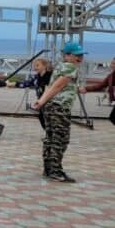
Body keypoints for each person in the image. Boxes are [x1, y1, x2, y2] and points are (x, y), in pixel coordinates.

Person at [33, 42, 86, 182]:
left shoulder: (61, 66)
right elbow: (57, 86)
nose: (80, 58)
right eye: (76, 55)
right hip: (59, 108)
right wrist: (41, 100)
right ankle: (55, 171)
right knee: (60, 139)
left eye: (81, 55)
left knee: (50, 138)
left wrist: (43, 101)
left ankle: (48, 169)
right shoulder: (70, 67)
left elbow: (57, 86)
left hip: (51, 106)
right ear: (67, 55)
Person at [12, 57, 53, 129]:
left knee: (50, 121)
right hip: (41, 102)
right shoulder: (36, 77)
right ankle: (48, 133)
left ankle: (51, 134)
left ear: (44, 66)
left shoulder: (51, 76)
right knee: (42, 119)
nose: (35, 67)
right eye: (34, 66)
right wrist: (13, 84)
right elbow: (26, 83)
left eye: (37, 65)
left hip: (51, 103)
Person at [80, 56, 115, 126]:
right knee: (113, 118)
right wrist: (86, 88)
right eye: (112, 63)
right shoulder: (110, 76)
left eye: (114, 64)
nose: (112, 65)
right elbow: (100, 86)